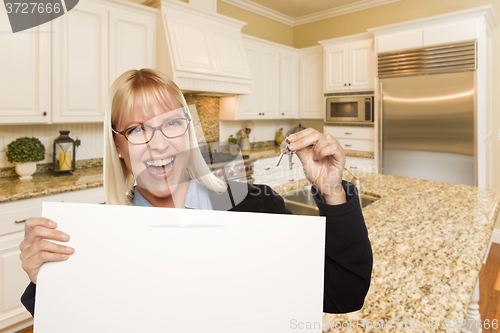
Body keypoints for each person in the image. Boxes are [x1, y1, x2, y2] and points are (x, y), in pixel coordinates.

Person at [19, 68, 373, 316]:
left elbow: (344, 292)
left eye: (172, 123)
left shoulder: (256, 204)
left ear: (187, 132)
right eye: (138, 129)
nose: (159, 145)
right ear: (118, 147)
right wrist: (47, 280)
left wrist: (332, 191)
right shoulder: (93, 235)